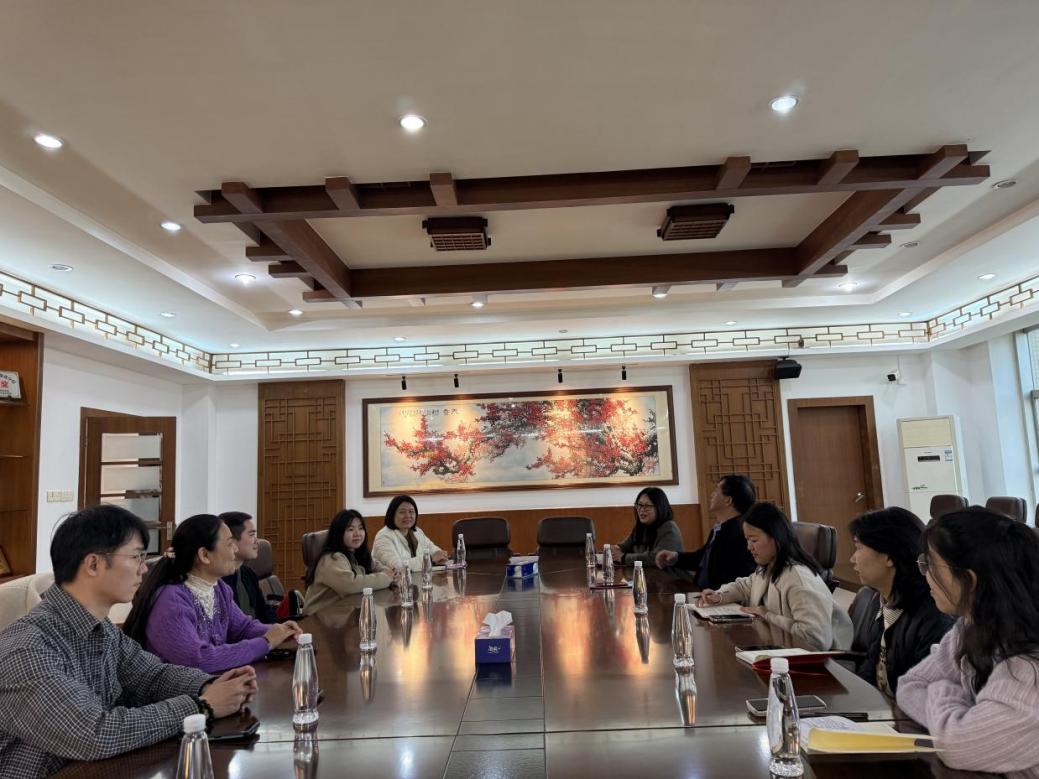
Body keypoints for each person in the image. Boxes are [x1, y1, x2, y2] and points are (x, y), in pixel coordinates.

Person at [0, 505, 257, 778]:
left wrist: (211, 685)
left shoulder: (103, 630)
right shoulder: (25, 649)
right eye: (136, 557)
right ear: (93, 564)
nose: (144, 568)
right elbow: (94, 733)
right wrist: (202, 706)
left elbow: (152, 676)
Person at [896, 508, 1039, 775]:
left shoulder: (1030, 668)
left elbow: (958, 747)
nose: (925, 575)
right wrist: (959, 719)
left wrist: (942, 691)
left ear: (969, 580)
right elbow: (910, 685)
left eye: (931, 565)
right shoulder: (970, 627)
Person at [123, 514, 301, 673]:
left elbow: (242, 628)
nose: (235, 549)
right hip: (179, 697)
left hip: (212, 687)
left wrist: (278, 631)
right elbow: (199, 660)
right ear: (204, 555)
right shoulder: (171, 600)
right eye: (229, 543)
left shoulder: (218, 588)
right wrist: (266, 642)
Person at [697, 501, 852, 651]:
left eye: (754, 540)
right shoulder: (768, 567)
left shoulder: (799, 579)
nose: (749, 547)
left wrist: (767, 615)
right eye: (747, 540)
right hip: (782, 650)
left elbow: (815, 639)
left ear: (776, 537)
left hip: (823, 662)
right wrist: (719, 596)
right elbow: (744, 586)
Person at [848, 507, 953, 697]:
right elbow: (870, 670)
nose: (852, 559)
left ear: (889, 557)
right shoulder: (883, 601)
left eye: (859, 547)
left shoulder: (934, 619)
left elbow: (925, 699)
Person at [655, 474, 757, 589]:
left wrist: (719, 595)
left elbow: (742, 577)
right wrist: (676, 557)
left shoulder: (741, 533)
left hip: (719, 597)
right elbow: (703, 557)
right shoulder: (721, 528)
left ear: (728, 500)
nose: (712, 494)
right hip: (703, 594)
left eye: (717, 490)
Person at [303, 510, 397, 615]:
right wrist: (386, 577)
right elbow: (350, 584)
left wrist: (389, 573)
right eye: (351, 529)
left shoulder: (356, 553)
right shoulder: (331, 559)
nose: (357, 533)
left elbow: (375, 566)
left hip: (341, 614)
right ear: (338, 533)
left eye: (360, 528)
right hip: (318, 618)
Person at [219, 511, 276, 624]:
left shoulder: (248, 573)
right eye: (251, 535)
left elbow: (264, 611)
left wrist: (277, 628)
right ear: (231, 540)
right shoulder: (218, 579)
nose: (256, 541)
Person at [371, 495, 449, 572]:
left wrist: (441, 556)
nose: (408, 516)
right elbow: (397, 567)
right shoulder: (383, 537)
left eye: (411, 512)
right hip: (394, 580)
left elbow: (434, 551)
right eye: (402, 512)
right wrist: (429, 559)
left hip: (419, 578)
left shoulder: (417, 532)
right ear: (392, 514)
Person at [612, 487, 683, 566]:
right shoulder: (641, 527)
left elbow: (657, 558)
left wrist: (624, 558)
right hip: (644, 573)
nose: (642, 509)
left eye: (647, 506)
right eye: (639, 505)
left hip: (667, 573)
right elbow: (623, 547)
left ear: (659, 507)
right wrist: (613, 550)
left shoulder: (669, 528)